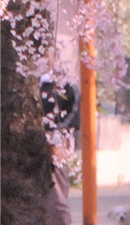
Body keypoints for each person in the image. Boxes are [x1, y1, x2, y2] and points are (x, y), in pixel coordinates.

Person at [43, 77, 79, 225]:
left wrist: (56, 136)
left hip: (57, 142)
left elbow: (74, 114)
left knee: (57, 194)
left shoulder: (65, 84)